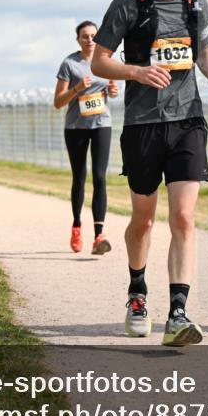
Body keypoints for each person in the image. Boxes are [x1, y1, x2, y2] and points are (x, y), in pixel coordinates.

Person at [91, 0, 208, 346]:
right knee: (145, 219)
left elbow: (203, 53)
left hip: (188, 119)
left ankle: (178, 314)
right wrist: (136, 72)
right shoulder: (128, 4)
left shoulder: (195, 3)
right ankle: (137, 292)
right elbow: (100, 60)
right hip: (143, 124)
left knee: (184, 218)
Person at [54, 20, 119, 255]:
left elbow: (111, 89)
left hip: (102, 123)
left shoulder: (106, 60)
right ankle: (77, 225)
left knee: (100, 177)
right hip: (75, 128)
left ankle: (99, 235)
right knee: (79, 178)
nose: (90, 39)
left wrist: (113, 91)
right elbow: (58, 102)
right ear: (78, 39)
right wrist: (77, 88)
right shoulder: (69, 64)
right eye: (85, 36)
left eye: (93, 35)